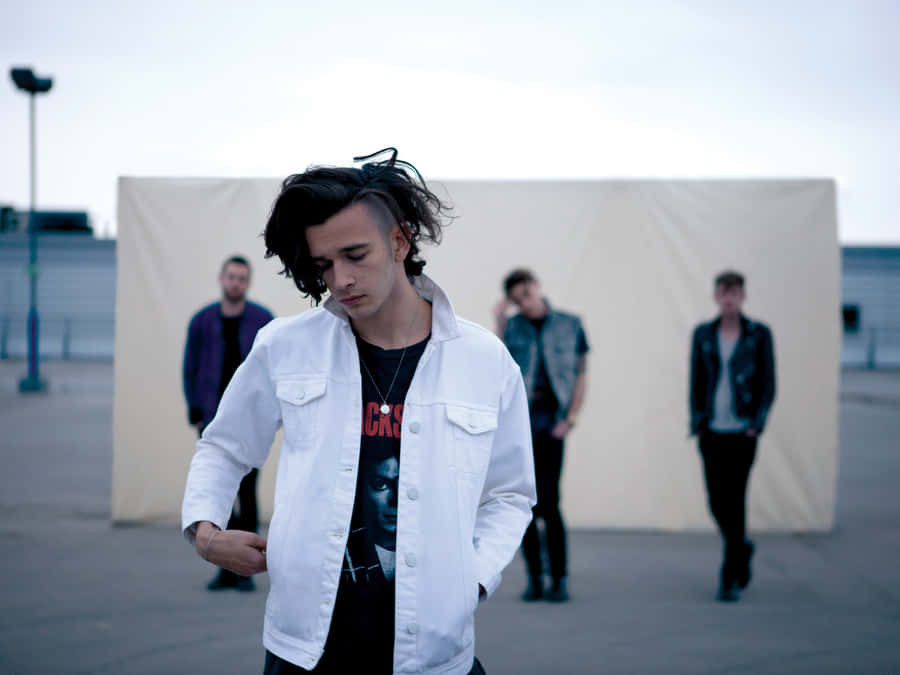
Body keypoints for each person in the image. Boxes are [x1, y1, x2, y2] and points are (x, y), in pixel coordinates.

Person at [181, 148, 536, 674]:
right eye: (324, 263)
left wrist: (475, 577)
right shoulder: (285, 345)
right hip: (304, 647)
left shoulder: (485, 361)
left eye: (355, 255)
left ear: (400, 240)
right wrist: (206, 534)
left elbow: (511, 494)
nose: (340, 278)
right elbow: (225, 445)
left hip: (435, 653)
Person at [493, 269, 589, 603]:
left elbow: (580, 374)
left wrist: (570, 418)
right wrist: (500, 318)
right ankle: (535, 578)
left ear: (536, 287)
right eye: (517, 300)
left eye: (526, 295)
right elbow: (500, 367)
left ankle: (559, 579)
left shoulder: (570, 323)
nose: (524, 303)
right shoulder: (514, 326)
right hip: (521, 424)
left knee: (551, 503)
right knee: (526, 503)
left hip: (553, 422)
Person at [182, 255, 274, 591]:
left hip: (251, 421)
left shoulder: (263, 320)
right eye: (231, 277)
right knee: (217, 494)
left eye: (241, 278)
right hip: (211, 416)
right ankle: (225, 568)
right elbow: (190, 365)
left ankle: (245, 570)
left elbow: (274, 369)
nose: (235, 283)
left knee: (247, 494)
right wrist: (193, 406)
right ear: (222, 279)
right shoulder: (202, 321)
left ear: (247, 283)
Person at [689, 270, 776, 602]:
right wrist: (697, 420)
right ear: (716, 296)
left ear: (742, 296)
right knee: (716, 500)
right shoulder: (704, 334)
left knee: (735, 500)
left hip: (742, 432)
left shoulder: (758, 335)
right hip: (711, 430)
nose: (729, 298)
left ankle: (730, 577)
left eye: (734, 292)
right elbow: (696, 381)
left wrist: (757, 422)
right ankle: (741, 547)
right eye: (723, 292)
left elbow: (768, 383)